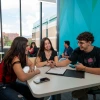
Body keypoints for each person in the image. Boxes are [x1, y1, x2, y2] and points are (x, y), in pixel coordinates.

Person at [56, 32, 100, 100]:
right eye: (78, 42)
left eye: (81, 43)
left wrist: (84, 68)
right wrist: (55, 64)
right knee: (76, 92)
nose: (79, 45)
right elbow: (65, 62)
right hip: (84, 78)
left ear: (89, 42)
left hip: (97, 79)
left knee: (78, 92)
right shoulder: (77, 50)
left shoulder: (98, 52)